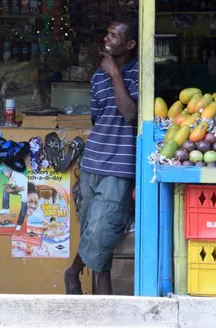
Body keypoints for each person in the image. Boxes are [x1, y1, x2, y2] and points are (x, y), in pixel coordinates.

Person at [65, 20, 138, 295]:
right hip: (94, 159)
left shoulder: (138, 74)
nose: (107, 38)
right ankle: (102, 305)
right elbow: (99, 118)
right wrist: (107, 74)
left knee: (102, 230)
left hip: (119, 166)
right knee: (92, 230)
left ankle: (72, 273)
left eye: (114, 35)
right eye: (107, 33)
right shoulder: (97, 76)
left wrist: (115, 75)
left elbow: (129, 114)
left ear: (129, 44)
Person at [0, 166, 29, 231]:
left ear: (8, 171)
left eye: (4, 174)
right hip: (19, 190)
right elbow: (11, 185)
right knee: (5, 189)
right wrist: (6, 185)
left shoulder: (18, 175)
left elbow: (22, 188)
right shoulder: (11, 176)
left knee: (23, 208)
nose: (4, 175)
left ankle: (19, 224)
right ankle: (6, 209)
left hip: (26, 192)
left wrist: (12, 190)